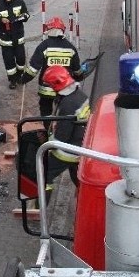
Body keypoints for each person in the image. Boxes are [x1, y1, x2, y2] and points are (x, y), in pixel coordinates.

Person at [19, 16, 83, 130]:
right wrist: (79, 77)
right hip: (65, 89)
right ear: (62, 30)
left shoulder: (44, 46)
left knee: (46, 110)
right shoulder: (71, 48)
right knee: (64, 112)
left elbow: (33, 69)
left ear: (49, 30)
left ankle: (48, 128)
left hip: (47, 90)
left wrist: (24, 78)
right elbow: (77, 70)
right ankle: (62, 131)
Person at [41, 65, 91, 200]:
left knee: (44, 173)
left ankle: (39, 209)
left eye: (51, 85)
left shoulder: (68, 104)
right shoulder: (79, 94)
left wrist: (46, 146)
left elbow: (62, 137)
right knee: (77, 176)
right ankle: (85, 198)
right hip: (81, 145)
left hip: (68, 151)